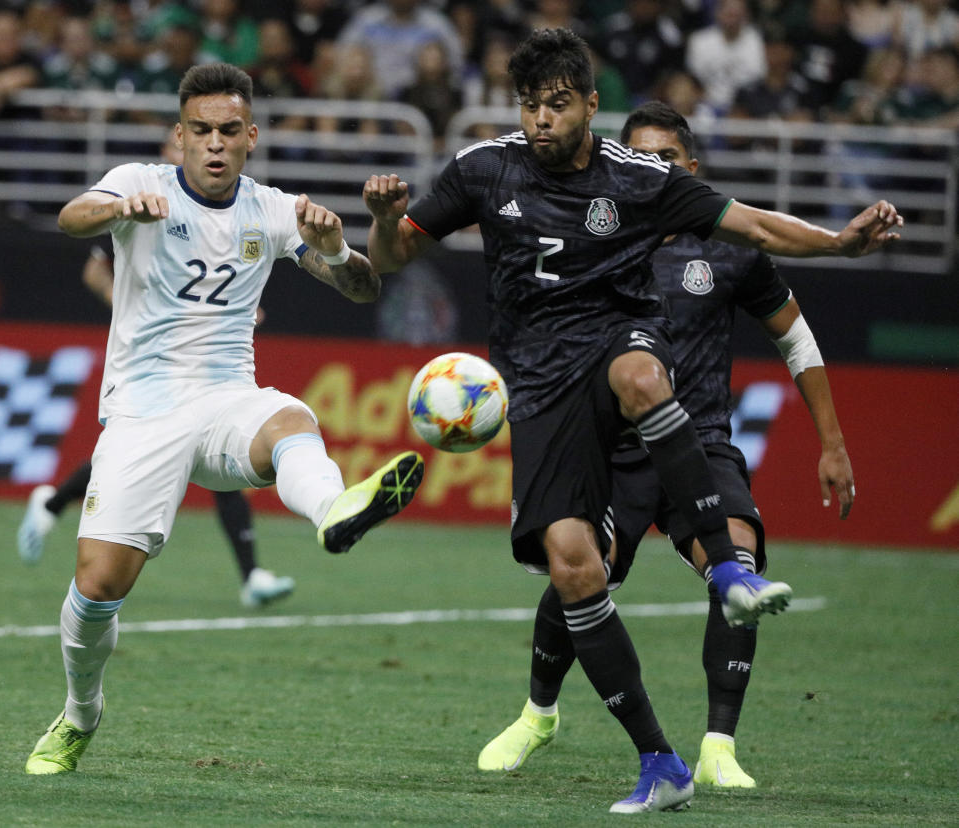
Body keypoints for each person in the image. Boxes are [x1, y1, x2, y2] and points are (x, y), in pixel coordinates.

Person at [362, 28, 900, 813]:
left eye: (556, 105)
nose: (540, 120)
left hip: (617, 343)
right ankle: (659, 761)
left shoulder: (639, 177)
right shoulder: (483, 169)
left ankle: (727, 569)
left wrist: (842, 245)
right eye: (528, 106)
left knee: (645, 375)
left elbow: (754, 226)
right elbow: (388, 259)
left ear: (587, 105)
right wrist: (382, 219)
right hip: (539, 390)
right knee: (575, 569)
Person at [24, 62, 425, 775]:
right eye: (200, 131)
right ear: (179, 136)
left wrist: (333, 249)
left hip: (224, 399)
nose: (214, 144)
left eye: (228, 132)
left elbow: (361, 290)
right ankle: (81, 713)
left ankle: (335, 510)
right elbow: (69, 217)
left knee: (291, 416)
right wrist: (121, 211)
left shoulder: (273, 210)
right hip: (145, 411)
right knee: (97, 588)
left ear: (251, 138)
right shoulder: (139, 182)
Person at [476, 101, 856, 792]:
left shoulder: (731, 250)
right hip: (612, 451)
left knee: (735, 556)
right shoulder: (600, 236)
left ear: (691, 171)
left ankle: (719, 745)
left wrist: (832, 441)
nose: (653, 169)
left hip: (699, 441)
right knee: (579, 569)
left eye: (667, 161)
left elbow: (795, 338)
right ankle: (538, 713)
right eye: (640, 158)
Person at [17, 247, 296, 609]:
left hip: (202, 361)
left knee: (220, 462)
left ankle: (252, 576)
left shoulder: (222, 215)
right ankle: (52, 504)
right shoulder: (142, 201)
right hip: (150, 359)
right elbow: (94, 269)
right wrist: (124, 305)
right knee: (131, 453)